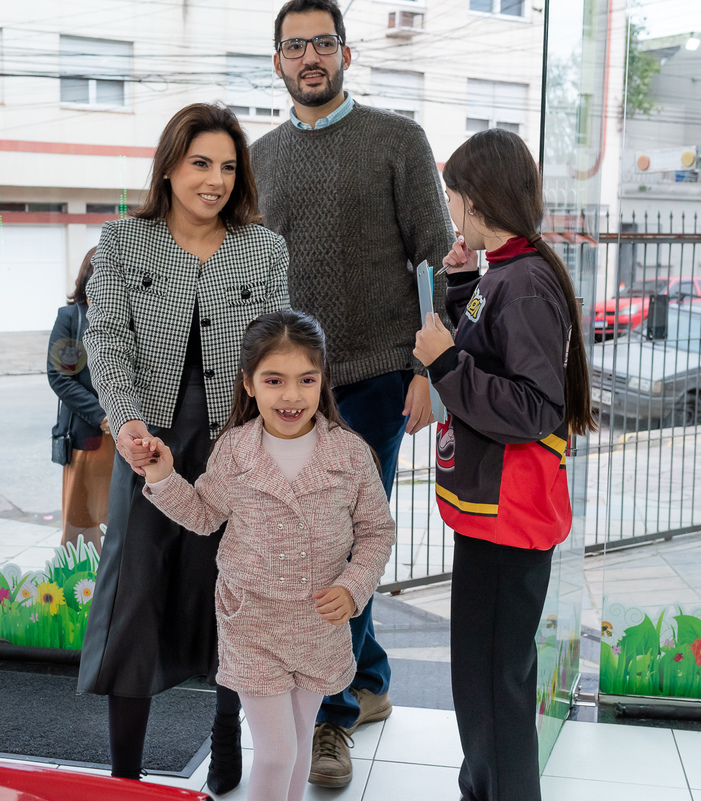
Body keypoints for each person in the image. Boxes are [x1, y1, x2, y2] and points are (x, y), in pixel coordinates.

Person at [250, 0, 455, 786]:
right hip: (285, 392)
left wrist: (427, 372)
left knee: (339, 545)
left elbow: (436, 263)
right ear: (276, 61)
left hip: (374, 380)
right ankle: (366, 679)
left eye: (323, 44)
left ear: (346, 54)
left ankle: (332, 720)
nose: (310, 57)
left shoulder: (397, 141)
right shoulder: (259, 156)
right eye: (295, 46)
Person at [78, 103, 290, 792]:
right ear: (169, 166)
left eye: (229, 166)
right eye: (201, 162)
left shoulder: (265, 249)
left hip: (234, 443)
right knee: (134, 598)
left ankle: (225, 741)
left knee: (230, 593)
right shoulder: (122, 241)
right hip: (149, 443)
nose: (216, 179)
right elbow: (106, 338)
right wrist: (128, 420)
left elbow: (277, 351)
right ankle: (125, 774)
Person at [141, 310, 395, 801]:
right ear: (249, 384)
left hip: (319, 624)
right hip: (252, 622)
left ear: (324, 382)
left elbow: (376, 532)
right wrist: (163, 477)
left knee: (300, 745)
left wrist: (354, 586)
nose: (292, 395)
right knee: (277, 752)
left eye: (307, 380)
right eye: (274, 380)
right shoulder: (234, 450)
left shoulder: (350, 454)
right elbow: (203, 515)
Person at [412, 128, 596, 801]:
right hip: (493, 514)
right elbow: (489, 349)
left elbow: (533, 407)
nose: (451, 208)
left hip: (508, 516)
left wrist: (444, 362)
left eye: (453, 196)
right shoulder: (507, 272)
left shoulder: (523, 282)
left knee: (497, 688)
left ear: (475, 198)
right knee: (484, 682)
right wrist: (460, 286)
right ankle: (481, 787)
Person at [48, 247, 112, 554]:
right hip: (92, 437)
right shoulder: (72, 318)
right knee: (83, 527)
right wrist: (102, 416)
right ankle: (81, 595)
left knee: (121, 524)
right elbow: (61, 377)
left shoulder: (134, 318)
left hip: (134, 438)